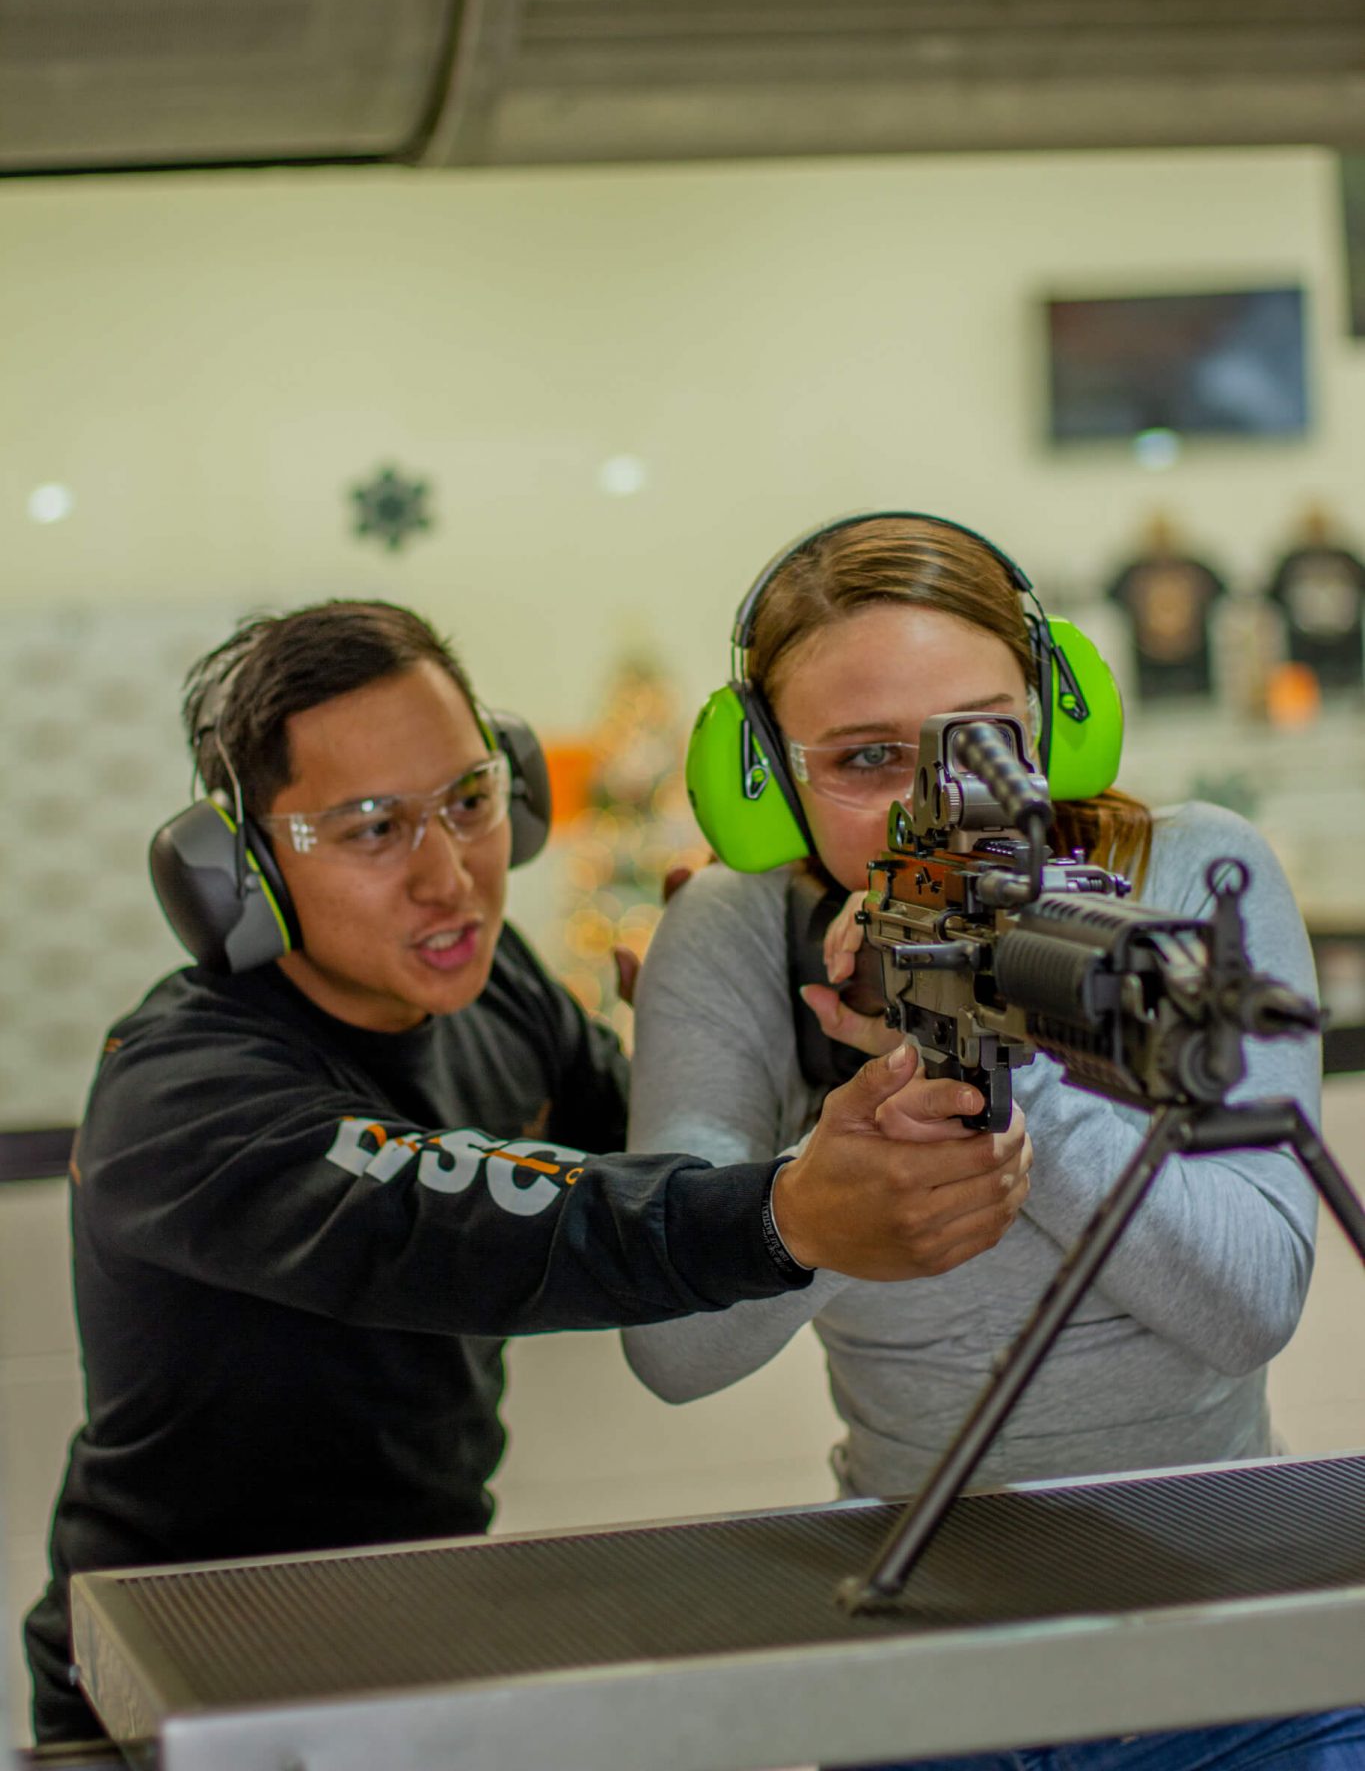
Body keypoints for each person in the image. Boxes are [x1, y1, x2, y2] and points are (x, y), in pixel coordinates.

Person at [24, 597, 1032, 1746]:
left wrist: (745, 1019)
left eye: (469, 800)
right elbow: (489, 1219)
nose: (450, 875)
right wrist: (788, 1211)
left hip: (414, 1623)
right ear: (239, 869)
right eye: (370, 828)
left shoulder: (496, 985)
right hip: (173, 1669)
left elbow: (641, 1157)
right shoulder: (184, 1093)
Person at [623, 513, 1365, 1770]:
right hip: (927, 1660)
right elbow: (675, 1348)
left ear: (1056, 723)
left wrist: (1014, 1076)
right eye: (864, 757)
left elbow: (1247, 1301)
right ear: (765, 774)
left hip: (1238, 1646)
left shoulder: (1194, 875)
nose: (942, 806)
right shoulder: (737, 937)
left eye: (984, 742)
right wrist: (827, 1181)